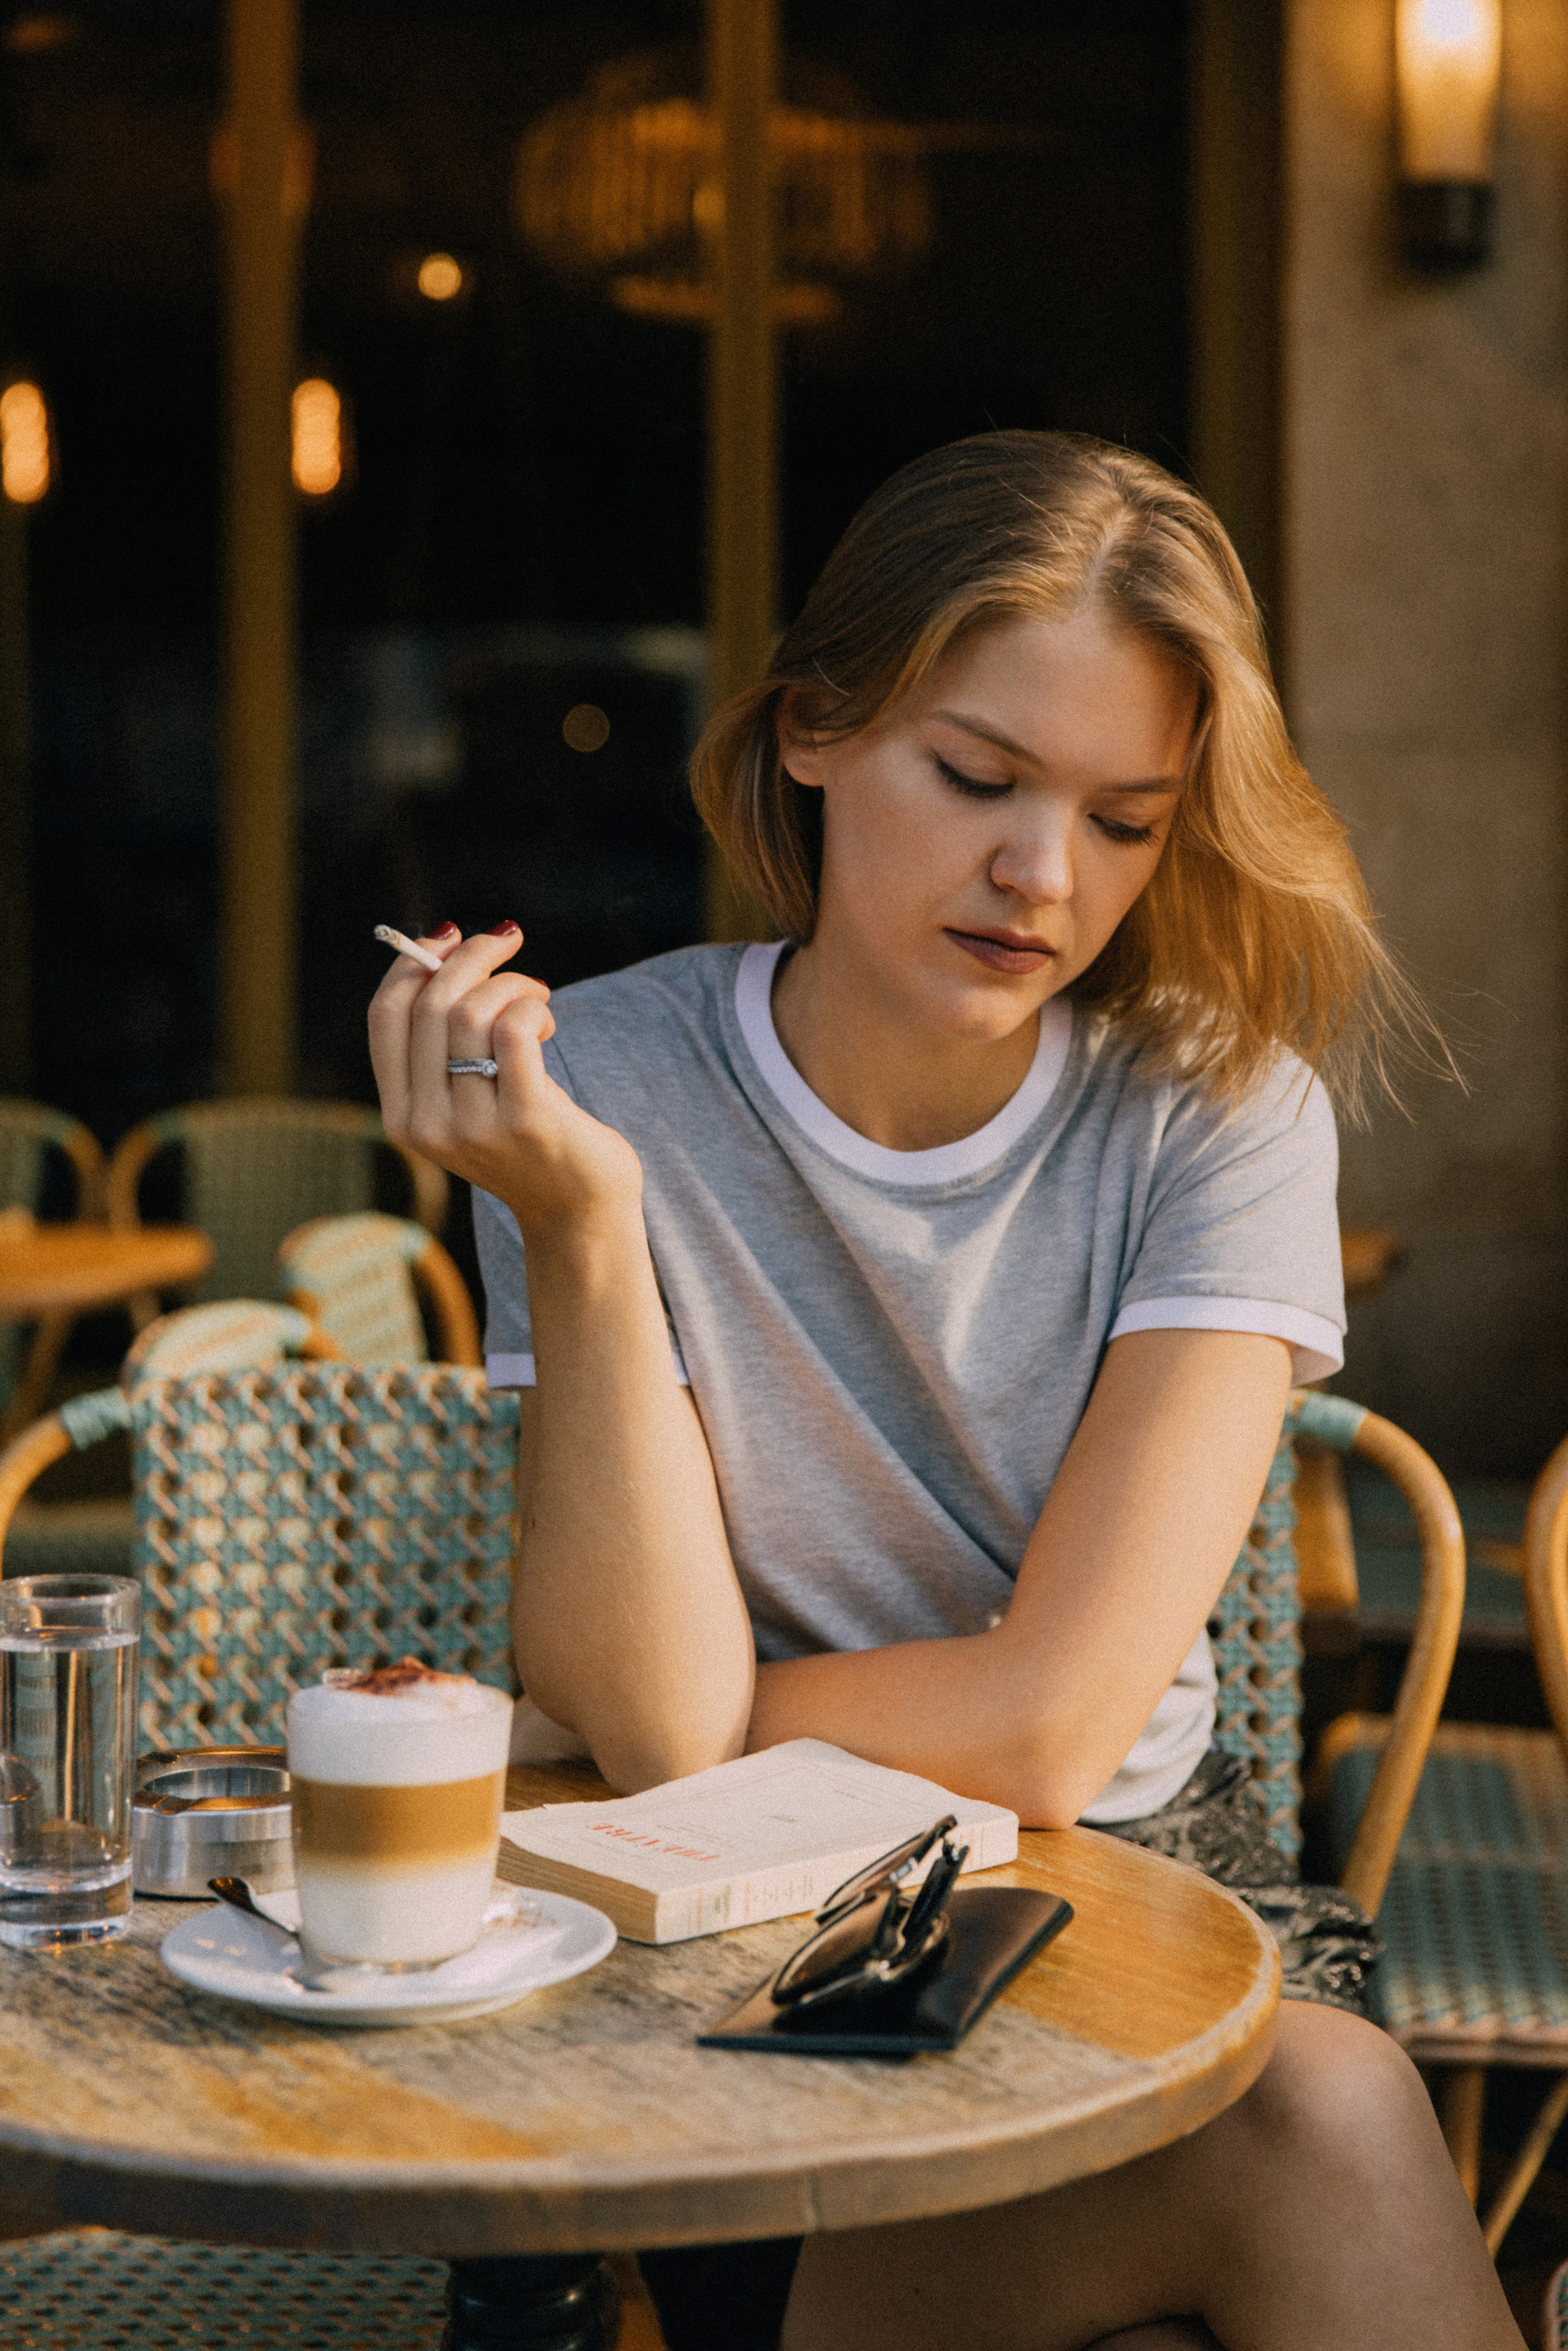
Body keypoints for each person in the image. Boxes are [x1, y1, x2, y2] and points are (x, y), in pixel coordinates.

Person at [369, 432, 1521, 2351]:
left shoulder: (1223, 1111)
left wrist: (717, 1734)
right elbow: (649, 1715)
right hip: (753, 1948)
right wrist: (580, 1231)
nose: (1042, 877)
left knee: (1301, 2110)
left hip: (1143, 1894)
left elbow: (1059, 1730)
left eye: (1128, 820)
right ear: (814, 730)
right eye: (978, 779)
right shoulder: (610, 1090)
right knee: (1310, 2138)